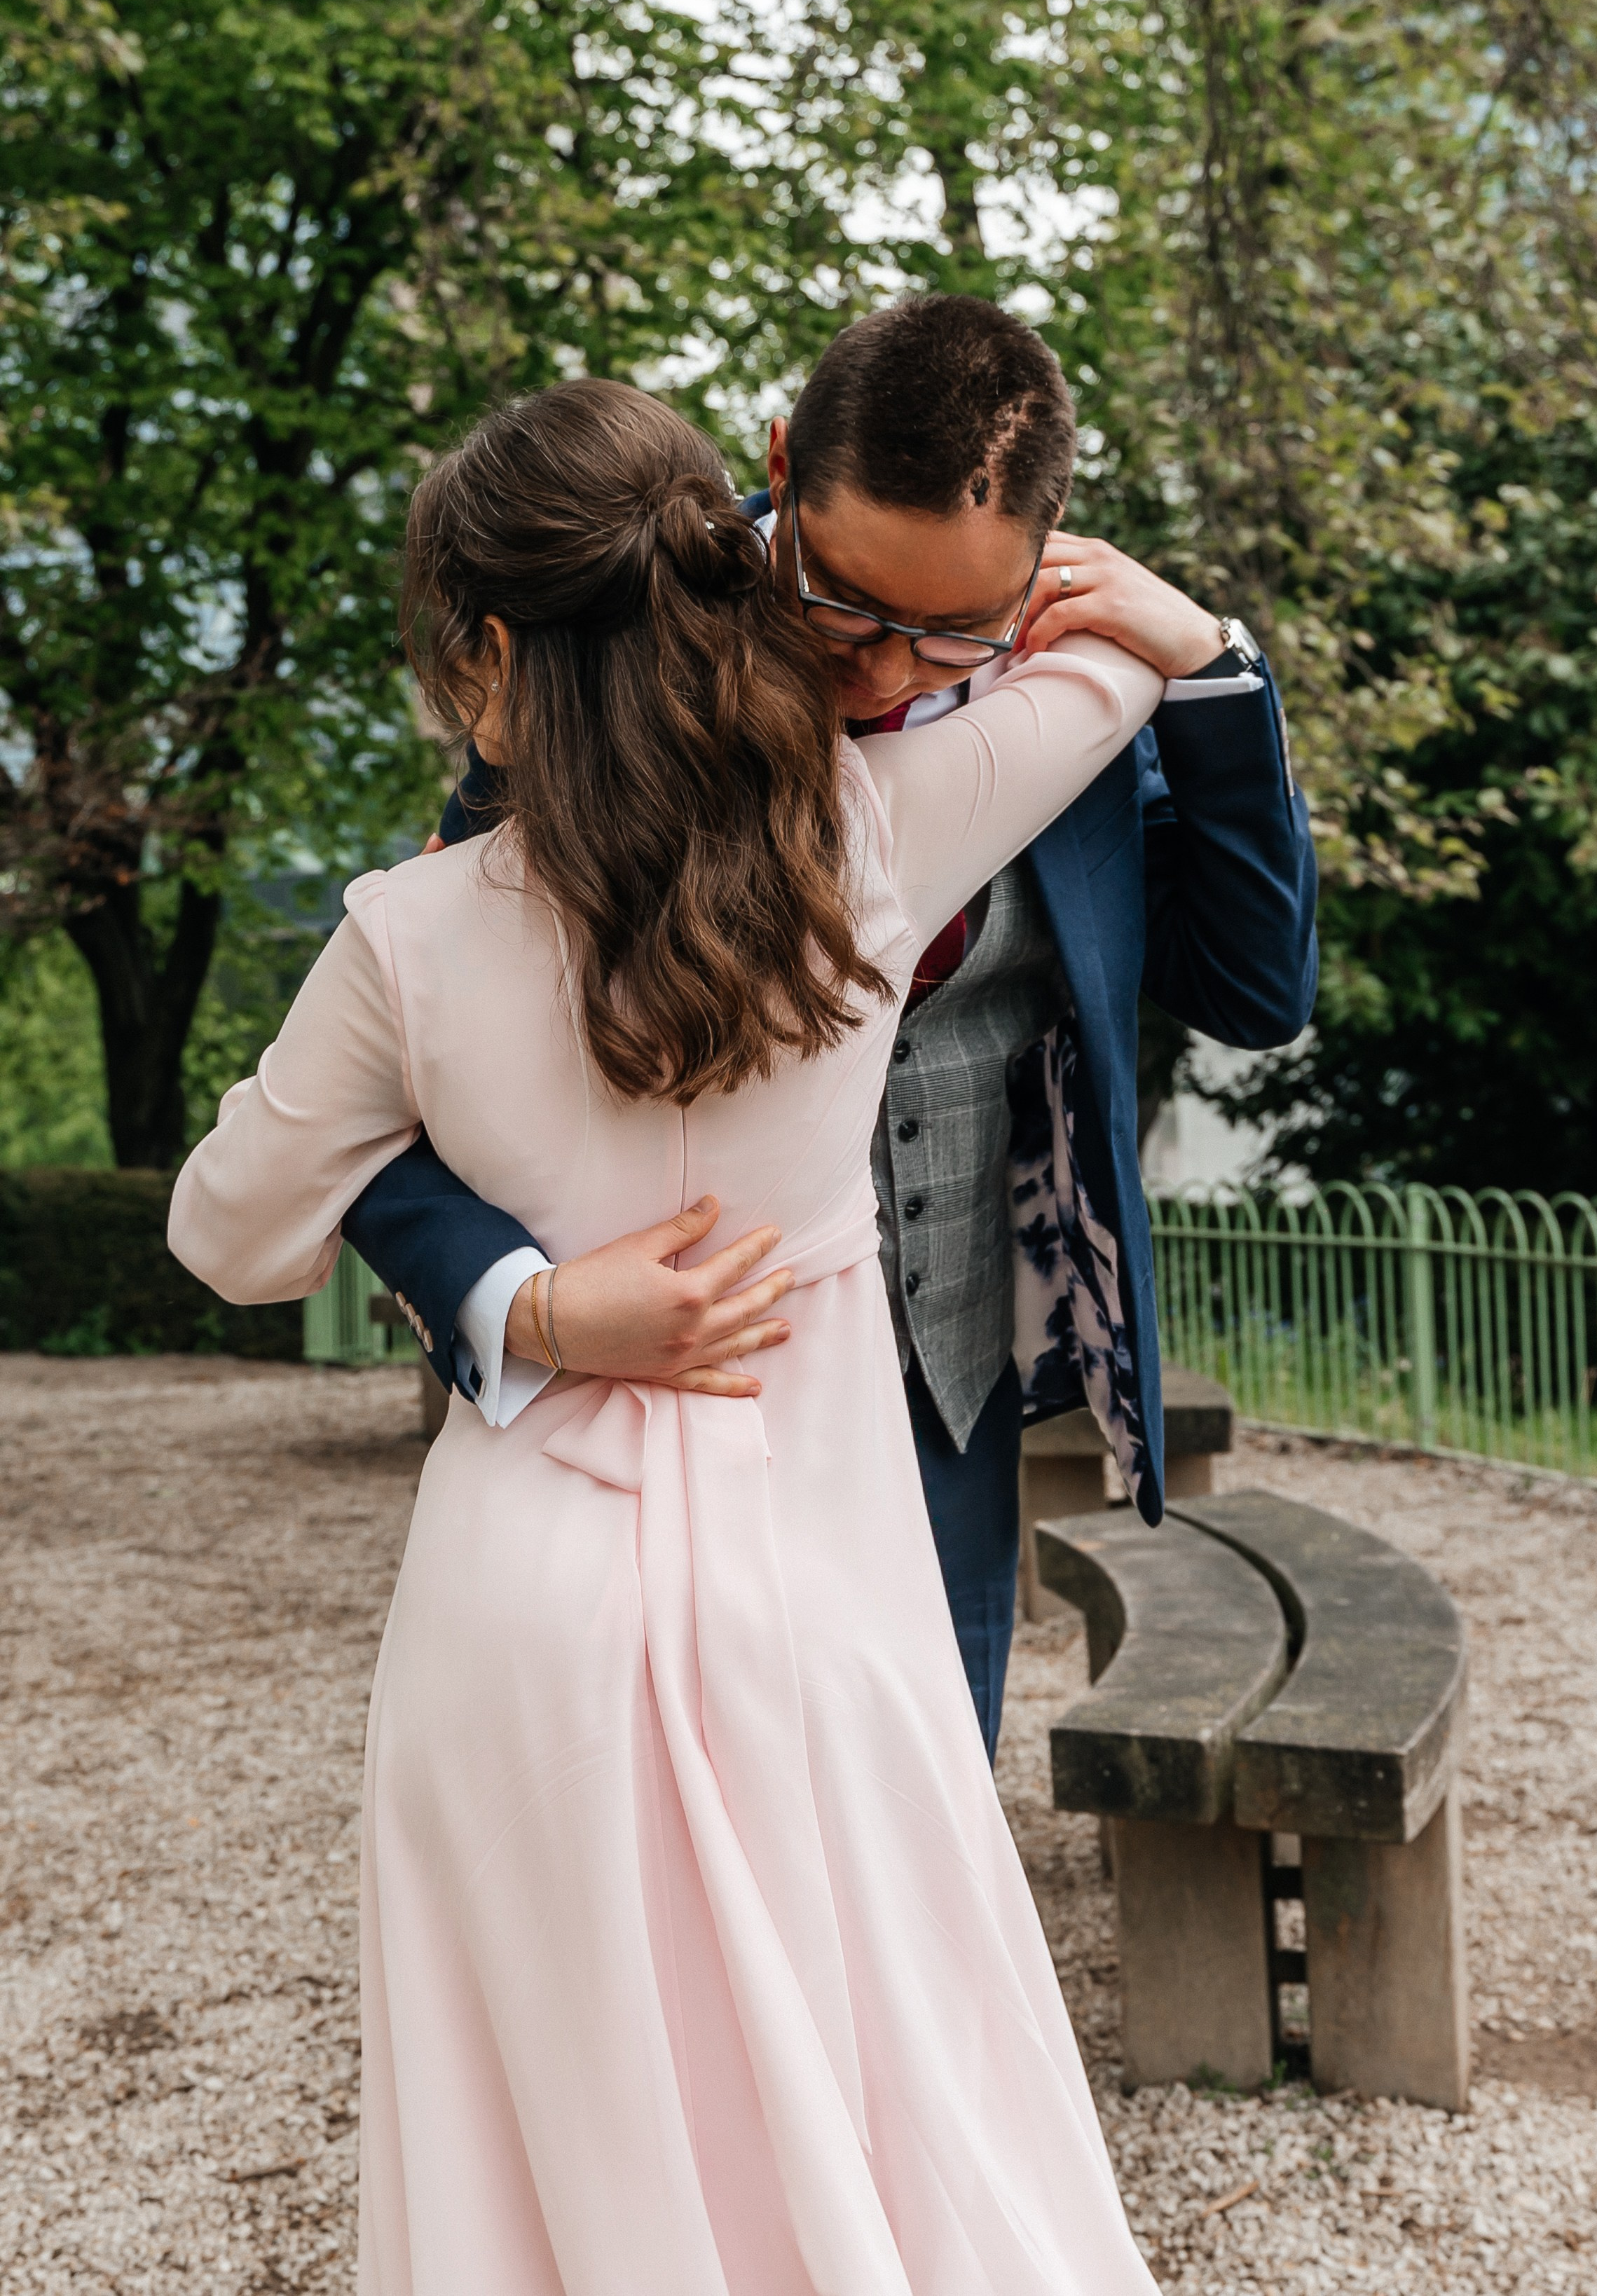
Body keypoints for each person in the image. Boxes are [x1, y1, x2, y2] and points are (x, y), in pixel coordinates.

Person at [171, 378, 1167, 2293]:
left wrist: (525, 1298)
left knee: (556, 2137)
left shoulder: (404, 936)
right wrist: (1180, 634)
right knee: (887, 2083)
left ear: (480, 659)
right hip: (826, 1598)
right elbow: (1122, 667)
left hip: (520, 1614)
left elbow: (230, 1233)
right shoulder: (881, 842)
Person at [341, 296, 1317, 1760]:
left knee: (917, 1846)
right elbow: (386, 1071)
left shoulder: (1088, 692)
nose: (876, 673)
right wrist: (524, 1307)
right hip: (645, 1402)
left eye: (945, 637)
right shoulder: (606, 644)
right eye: (846, 605)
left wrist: (1216, 672)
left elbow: (1253, 991)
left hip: (943, 1393)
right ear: (785, 463)